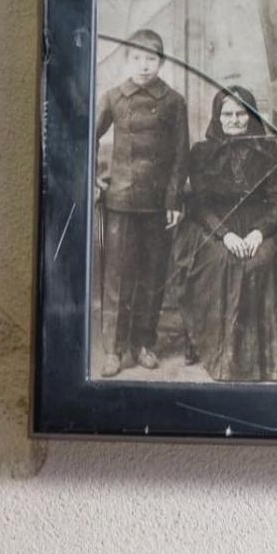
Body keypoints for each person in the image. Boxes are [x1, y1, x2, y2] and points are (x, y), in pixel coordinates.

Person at [178, 87, 277, 385]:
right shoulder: (201, 152)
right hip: (213, 225)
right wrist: (226, 235)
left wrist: (259, 233)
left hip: (261, 223)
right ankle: (223, 355)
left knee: (265, 260)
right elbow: (200, 204)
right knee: (223, 261)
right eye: (227, 114)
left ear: (251, 116)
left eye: (241, 114)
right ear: (217, 117)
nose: (234, 120)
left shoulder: (267, 150)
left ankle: (270, 359)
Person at [95, 29, 189, 377]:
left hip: (158, 204)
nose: (144, 66)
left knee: (152, 276)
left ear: (161, 62)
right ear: (127, 61)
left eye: (151, 59)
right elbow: (85, 137)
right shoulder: (114, 98)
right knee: (118, 278)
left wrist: (174, 200)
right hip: (121, 201)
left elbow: (181, 154)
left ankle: (144, 343)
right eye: (137, 58)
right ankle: (113, 350)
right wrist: (94, 177)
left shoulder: (174, 101)